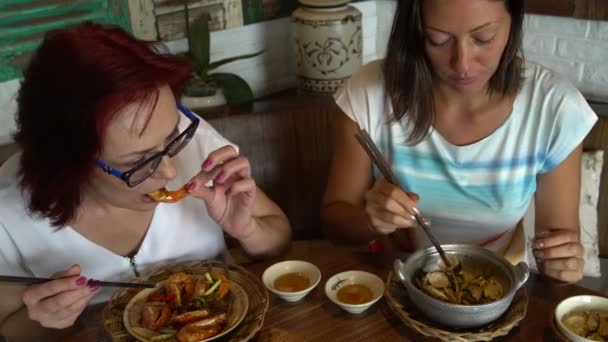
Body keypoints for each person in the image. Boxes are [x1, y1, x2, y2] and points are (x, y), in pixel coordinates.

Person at [0, 22, 291, 340]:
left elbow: (279, 236)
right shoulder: (9, 215)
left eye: (171, 138)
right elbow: (9, 327)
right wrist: (43, 318)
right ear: (71, 165)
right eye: (139, 161)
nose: (169, 171)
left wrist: (247, 229)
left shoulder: (194, 146)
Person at [322, 0, 596, 284]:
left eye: (483, 38)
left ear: (513, 22)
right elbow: (334, 223)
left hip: (498, 293)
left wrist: (563, 262)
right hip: (392, 283)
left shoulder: (554, 108)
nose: (462, 63)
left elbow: (558, 250)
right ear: (415, 30)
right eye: (438, 40)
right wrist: (370, 221)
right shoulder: (370, 94)